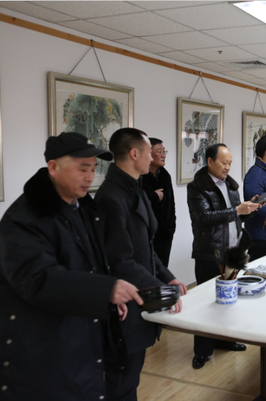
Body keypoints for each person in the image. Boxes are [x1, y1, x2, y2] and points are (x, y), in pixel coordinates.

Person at [0, 132, 143, 401]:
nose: (90, 177)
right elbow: (38, 278)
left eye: (93, 168)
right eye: (82, 169)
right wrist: (104, 290)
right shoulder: (24, 218)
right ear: (53, 167)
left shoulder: (82, 208)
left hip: (79, 332)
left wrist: (107, 297)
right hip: (42, 344)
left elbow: (88, 265)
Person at [95, 128, 187, 401]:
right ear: (134, 154)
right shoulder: (111, 197)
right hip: (125, 303)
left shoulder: (136, 188)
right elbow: (121, 260)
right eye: (150, 152)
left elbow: (146, 247)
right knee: (122, 382)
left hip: (141, 295)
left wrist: (167, 277)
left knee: (132, 376)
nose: (154, 157)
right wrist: (161, 290)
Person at [187, 143, 260, 369]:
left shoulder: (230, 185)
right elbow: (204, 217)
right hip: (210, 252)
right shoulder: (197, 187)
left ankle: (225, 340)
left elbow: (234, 218)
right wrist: (237, 210)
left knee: (229, 301)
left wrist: (247, 210)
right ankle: (202, 351)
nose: (227, 167)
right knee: (206, 304)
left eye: (230, 163)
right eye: (224, 163)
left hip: (232, 251)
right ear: (210, 161)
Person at [141, 138, 176, 267]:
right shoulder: (139, 177)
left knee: (162, 269)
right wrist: (153, 197)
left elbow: (171, 204)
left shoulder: (165, 175)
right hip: (147, 235)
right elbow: (136, 202)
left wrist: (171, 226)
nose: (163, 155)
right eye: (159, 151)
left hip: (165, 233)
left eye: (164, 151)